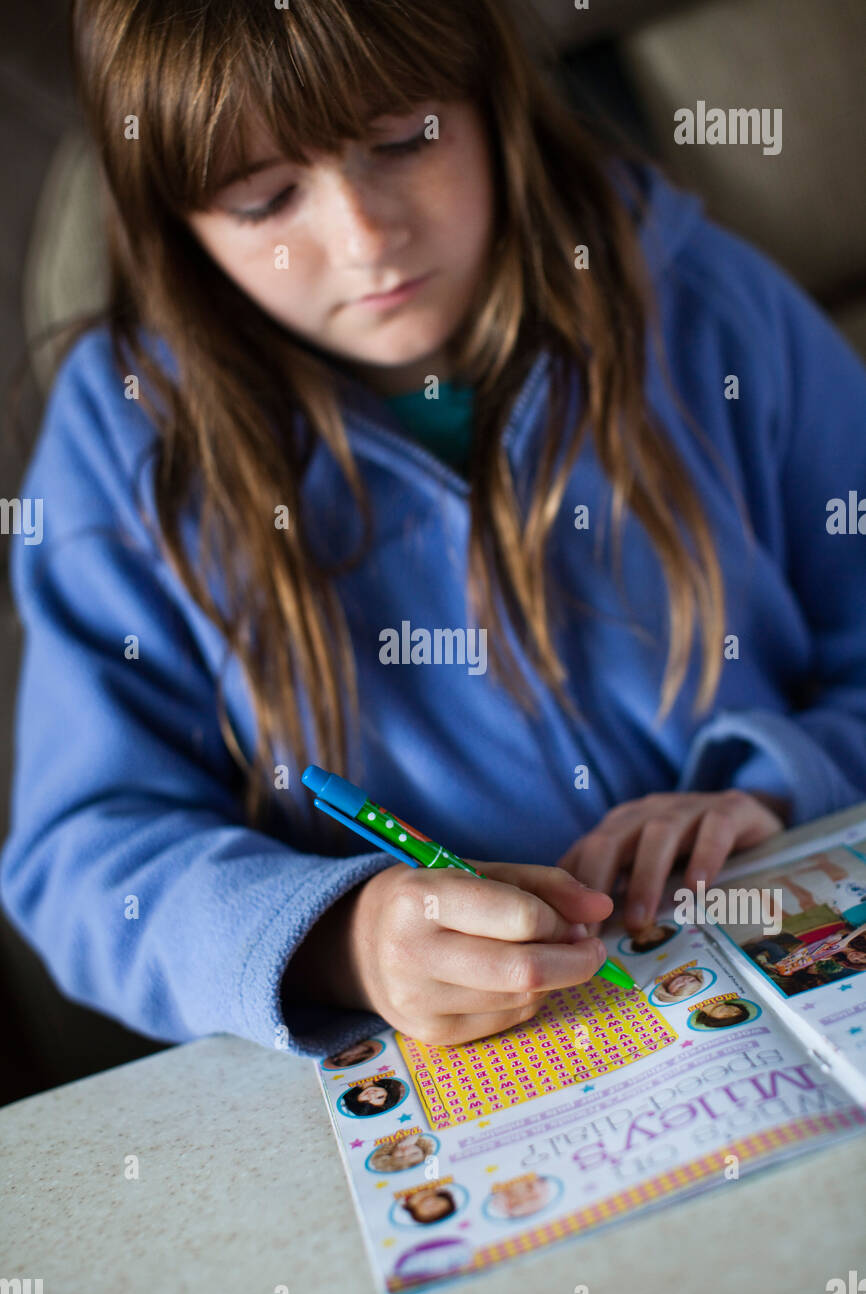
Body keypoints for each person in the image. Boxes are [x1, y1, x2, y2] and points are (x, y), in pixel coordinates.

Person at [2, 0, 865, 1062]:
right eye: (267, 199)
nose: (365, 239)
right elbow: (83, 855)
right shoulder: (124, 437)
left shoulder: (702, 304)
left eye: (405, 138)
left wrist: (780, 781)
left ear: (490, 97)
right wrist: (339, 940)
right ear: (174, 227)